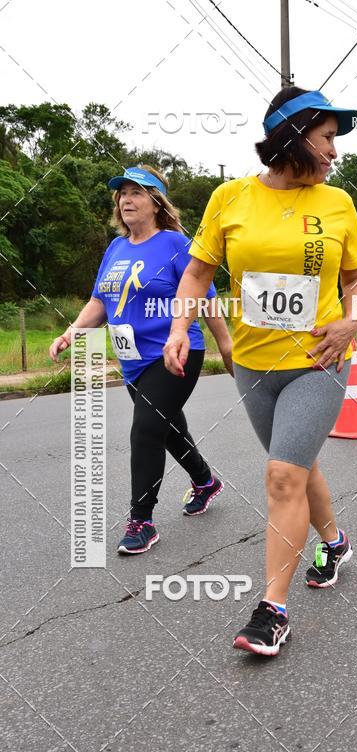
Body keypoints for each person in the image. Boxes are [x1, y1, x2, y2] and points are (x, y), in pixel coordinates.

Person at [164, 87, 357, 655]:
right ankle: (335, 541)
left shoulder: (337, 203)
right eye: (327, 138)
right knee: (297, 467)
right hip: (252, 365)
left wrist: (351, 322)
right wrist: (180, 328)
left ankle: (272, 609)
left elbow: (356, 280)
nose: (334, 151)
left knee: (282, 477)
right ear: (293, 136)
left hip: (316, 361)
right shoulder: (229, 198)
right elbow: (198, 273)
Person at [49, 164, 223, 553]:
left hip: (176, 353)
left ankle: (141, 521)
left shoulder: (175, 244)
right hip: (132, 361)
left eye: (136, 192)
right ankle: (205, 481)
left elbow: (205, 296)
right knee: (168, 429)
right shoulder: (116, 248)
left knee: (145, 429)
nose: (126, 200)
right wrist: (70, 333)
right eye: (122, 193)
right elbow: (100, 301)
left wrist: (226, 346)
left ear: (156, 202)